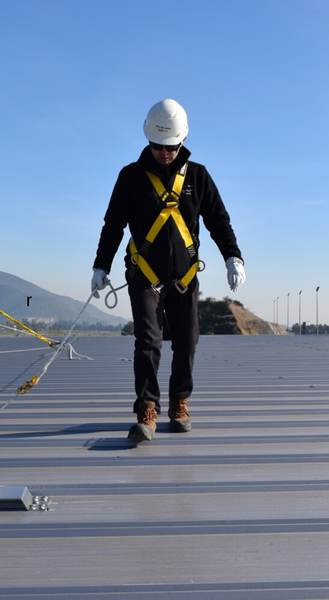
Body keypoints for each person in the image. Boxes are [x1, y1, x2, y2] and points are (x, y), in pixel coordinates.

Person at [91, 99, 246, 442]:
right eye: (159, 146)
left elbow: (219, 221)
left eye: (172, 146)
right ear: (148, 139)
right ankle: (147, 407)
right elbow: (113, 224)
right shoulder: (130, 177)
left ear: (182, 140)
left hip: (184, 277)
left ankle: (180, 401)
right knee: (148, 339)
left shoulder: (198, 176)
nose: (165, 152)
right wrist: (101, 264)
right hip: (144, 274)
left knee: (187, 341)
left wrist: (232, 257)